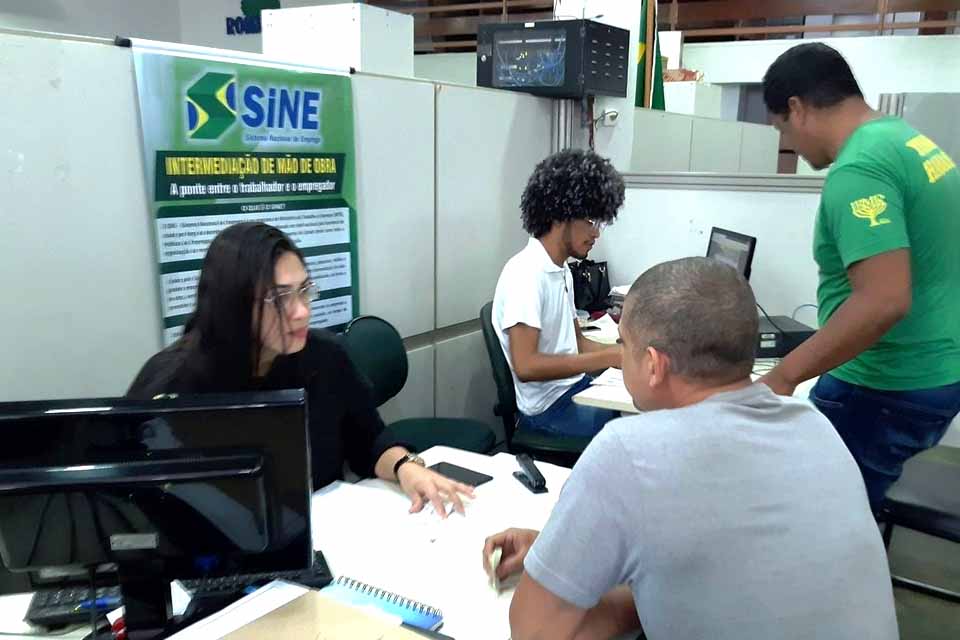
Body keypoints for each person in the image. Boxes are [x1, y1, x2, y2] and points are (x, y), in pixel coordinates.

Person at [484, 258, 898, 640]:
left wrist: (566, 571)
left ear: (652, 364)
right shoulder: (814, 426)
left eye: (623, 345)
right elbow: (715, 568)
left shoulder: (627, 452)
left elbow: (533, 631)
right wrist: (565, 554)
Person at [129, 222, 472, 517]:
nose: (301, 312)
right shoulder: (173, 386)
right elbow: (139, 506)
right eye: (280, 299)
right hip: (213, 567)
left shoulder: (325, 356)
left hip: (319, 542)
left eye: (304, 291)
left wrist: (405, 467)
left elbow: (369, 440)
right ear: (232, 305)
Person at [759, 42, 960, 512]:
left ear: (797, 108)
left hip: (883, 384)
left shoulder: (860, 169)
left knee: (815, 517)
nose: (788, 142)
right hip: (936, 371)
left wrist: (785, 375)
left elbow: (884, 300)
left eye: (781, 128)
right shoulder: (908, 142)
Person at [492, 149, 625, 438]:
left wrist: (628, 355)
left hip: (574, 388)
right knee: (636, 434)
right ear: (559, 215)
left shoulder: (560, 269)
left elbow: (575, 343)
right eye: (591, 221)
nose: (597, 234)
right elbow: (526, 365)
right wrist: (611, 357)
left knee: (648, 409)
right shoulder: (526, 275)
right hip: (548, 410)